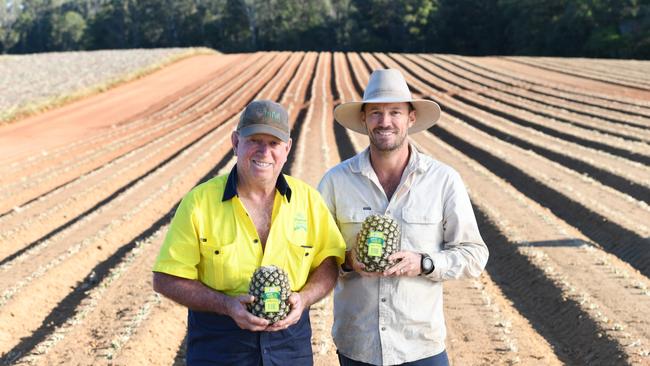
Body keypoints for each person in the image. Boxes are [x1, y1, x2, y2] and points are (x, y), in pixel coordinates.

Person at [152, 100, 347, 365]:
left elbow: (328, 262)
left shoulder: (308, 201)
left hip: (289, 349)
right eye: (255, 140)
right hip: (220, 349)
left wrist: (304, 298)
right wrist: (226, 305)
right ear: (235, 142)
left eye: (274, 143)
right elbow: (166, 278)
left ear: (287, 148)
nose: (264, 151)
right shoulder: (199, 203)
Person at [317, 69, 489, 366]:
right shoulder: (336, 182)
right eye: (376, 113)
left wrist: (423, 263)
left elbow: (474, 254)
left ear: (410, 118)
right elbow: (314, 253)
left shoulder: (443, 180)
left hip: (420, 346)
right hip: (359, 345)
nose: (385, 122)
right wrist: (347, 261)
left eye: (395, 112)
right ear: (364, 119)